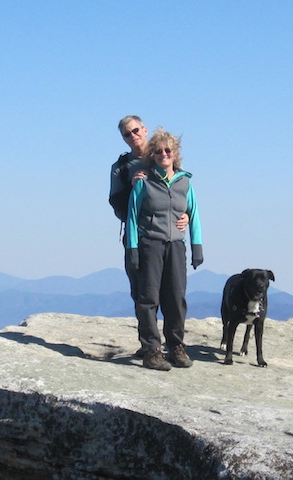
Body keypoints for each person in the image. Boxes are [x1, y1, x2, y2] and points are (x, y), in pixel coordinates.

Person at [125, 128, 203, 371]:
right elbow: (132, 216)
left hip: (176, 246)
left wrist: (196, 245)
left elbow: (194, 213)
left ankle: (176, 347)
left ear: (175, 153)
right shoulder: (143, 182)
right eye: (158, 151)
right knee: (148, 299)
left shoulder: (185, 182)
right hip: (150, 245)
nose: (163, 154)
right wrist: (133, 249)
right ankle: (151, 351)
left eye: (168, 150)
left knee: (176, 298)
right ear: (152, 155)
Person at [109, 116, 188, 356]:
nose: (132, 136)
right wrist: (133, 188)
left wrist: (187, 217)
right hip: (139, 238)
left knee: (173, 294)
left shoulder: (163, 153)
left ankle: (174, 345)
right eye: (126, 134)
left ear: (144, 129)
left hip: (171, 238)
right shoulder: (121, 168)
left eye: (135, 130)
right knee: (144, 294)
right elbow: (117, 206)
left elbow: (180, 192)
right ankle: (151, 346)